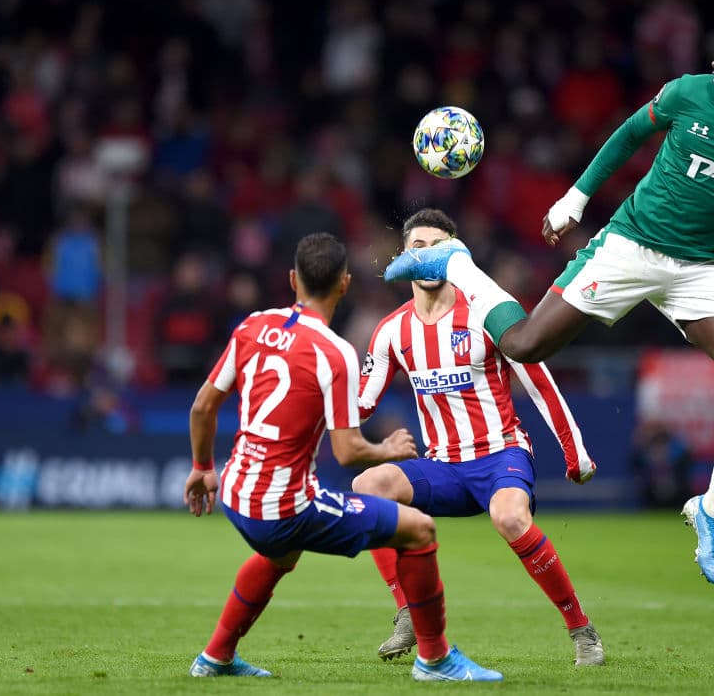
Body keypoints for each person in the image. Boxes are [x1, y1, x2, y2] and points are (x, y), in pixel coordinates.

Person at [383, 2, 714, 585]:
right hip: (627, 246)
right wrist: (576, 199)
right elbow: (630, 133)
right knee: (526, 345)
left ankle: (713, 510)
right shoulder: (687, 93)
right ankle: (460, 263)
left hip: (695, 268)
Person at [183, 232, 502, 682]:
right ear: (345, 284)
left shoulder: (251, 326)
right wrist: (386, 449)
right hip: (283, 505)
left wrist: (201, 468)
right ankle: (435, 660)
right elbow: (347, 450)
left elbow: (202, 407)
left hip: (235, 489)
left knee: (282, 554)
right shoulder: (335, 354)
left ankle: (215, 657)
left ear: (293, 279)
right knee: (419, 529)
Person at [354, 208, 603, 666]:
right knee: (368, 486)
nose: (427, 256)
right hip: (442, 468)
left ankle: (581, 628)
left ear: (456, 255)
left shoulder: (487, 314)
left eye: (438, 247)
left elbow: (540, 382)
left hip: (499, 455)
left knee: (510, 518)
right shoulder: (392, 330)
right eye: (418, 248)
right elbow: (361, 405)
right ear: (405, 258)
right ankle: (407, 612)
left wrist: (576, 452)